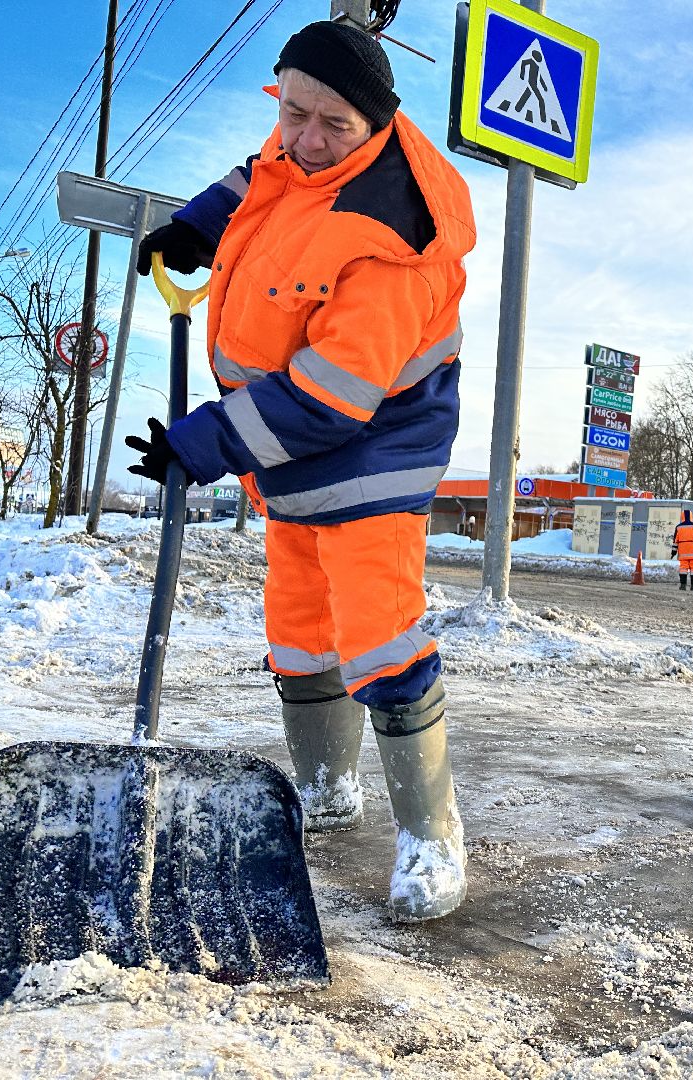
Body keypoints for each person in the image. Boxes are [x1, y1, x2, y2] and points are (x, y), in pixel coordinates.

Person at [125, 20, 476, 923]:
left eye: (335, 126)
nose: (309, 140)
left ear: (375, 126)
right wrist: (196, 228)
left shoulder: (396, 232)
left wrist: (201, 444)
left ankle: (431, 835)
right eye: (295, 112)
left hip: (373, 448)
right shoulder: (299, 146)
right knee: (297, 624)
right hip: (292, 457)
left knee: (377, 632)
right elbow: (258, 180)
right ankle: (325, 785)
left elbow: (329, 397)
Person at [671, 509, 693, 591]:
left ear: (682, 517)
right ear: (691, 517)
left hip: (683, 552)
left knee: (683, 568)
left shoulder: (679, 527)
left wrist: (673, 552)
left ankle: (683, 585)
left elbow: (675, 541)